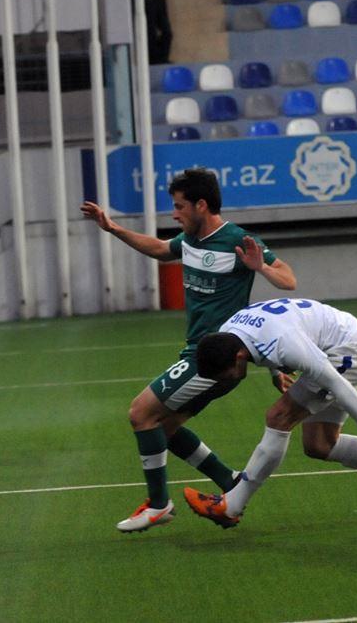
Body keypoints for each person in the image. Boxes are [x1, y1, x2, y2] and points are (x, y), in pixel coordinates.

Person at [80, 168, 297, 533]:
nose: (174, 214)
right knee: (163, 428)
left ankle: (159, 504)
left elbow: (288, 279)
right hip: (198, 353)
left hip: (217, 358)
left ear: (201, 205)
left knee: (140, 413)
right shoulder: (190, 240)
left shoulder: (237, 240)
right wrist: (113, 228)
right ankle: (229, 481)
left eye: (179, 206)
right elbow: (160, 249)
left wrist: (261, 267)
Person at [183, 297, 357, 528]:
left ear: (238, 357)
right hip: (336, 338)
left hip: (349, 349)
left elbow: (338, 385)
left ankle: (231, 506)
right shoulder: (229, 332)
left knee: (279, 417)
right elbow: (259, 341)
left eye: (225, 375)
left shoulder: (286, 345)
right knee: (319, 444)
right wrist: (276, 371)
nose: (224, 381)